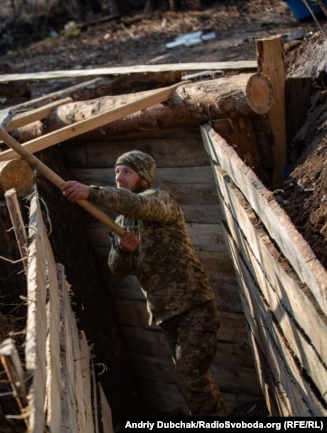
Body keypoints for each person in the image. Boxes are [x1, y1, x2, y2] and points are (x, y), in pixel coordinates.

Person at [60, 150, 227, 416]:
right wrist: (124, 251)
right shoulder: (120, 222)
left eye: (127, 171)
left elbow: (135, 204)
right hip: (165, 313)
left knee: (190, 378)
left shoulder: (159, 201)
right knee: (195, 380)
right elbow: (117, 269)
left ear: (144, 179)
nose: (119, 176)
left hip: (194, 305)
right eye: (117, 171)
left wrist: (91, 192)